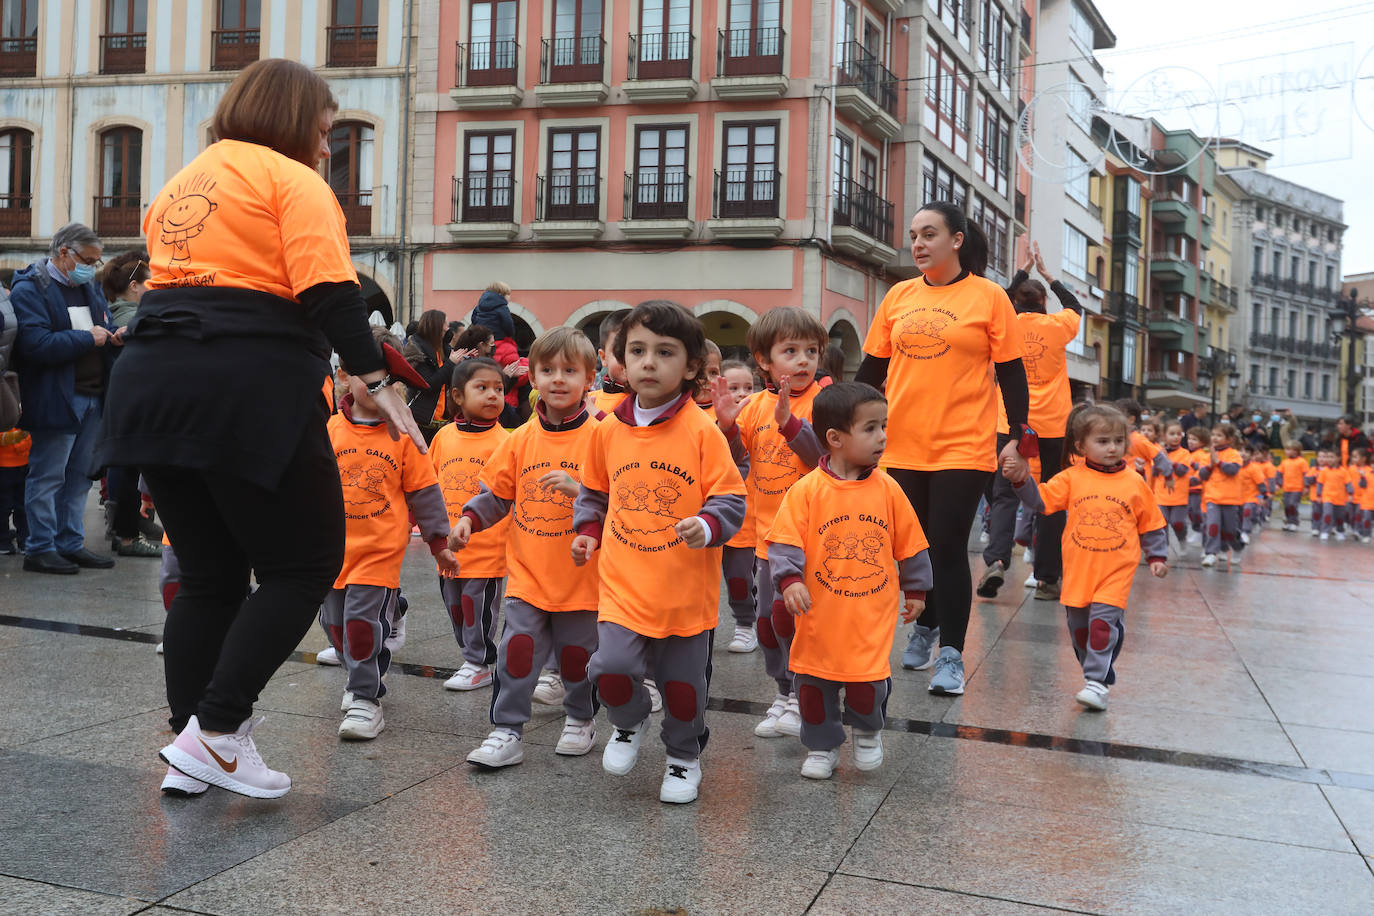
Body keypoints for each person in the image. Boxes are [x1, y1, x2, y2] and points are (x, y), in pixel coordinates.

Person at [98, 59, 424, 798]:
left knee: (209, 575)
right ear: (293, 117)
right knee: (304, 564)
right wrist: (376, 377)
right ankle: (217, 731)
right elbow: (329, 291)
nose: (327, 139)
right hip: (244, 379)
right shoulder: (294, 180)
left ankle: (194, 745)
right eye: (323, 123)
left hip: (150, 380)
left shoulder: (184, 180)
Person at [573, 300, 746, 805]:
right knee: (610, 668)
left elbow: (730, 497)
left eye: (665, 352)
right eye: (638, 350)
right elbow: (594, 491)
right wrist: (588, 528)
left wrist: (707, 524)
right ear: (621, 361)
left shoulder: (702, 431)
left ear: (691, 367)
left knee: (683, 688)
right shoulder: (607, 428)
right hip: (623, 585)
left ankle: (682, 758)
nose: (649, 362)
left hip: (684, 594)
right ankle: (627, 725)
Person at [854, 201, 1031, 697]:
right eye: (913, 235)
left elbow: (1012, 372)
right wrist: (835, 418)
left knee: (949, 546)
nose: (917, 244)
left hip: (964, 443)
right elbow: (870, 371)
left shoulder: (990, 297)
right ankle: (927, 623)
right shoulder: (898, 296)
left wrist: (1017, 434)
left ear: (956, 240)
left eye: (929, 234)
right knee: (912, 546)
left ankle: (950, 653)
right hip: (901, 443)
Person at [766, 382, 932, 779]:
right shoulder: (806, 491)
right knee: (813, 687)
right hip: (818, 617)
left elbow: (911, 543)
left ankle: (867, 730)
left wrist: (917, 588)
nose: (883, 437)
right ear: (835, 439)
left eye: (884, 426)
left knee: (867, 684)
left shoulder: (889, 489)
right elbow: (784, 542)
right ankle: (821, 746)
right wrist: (790, 581)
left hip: (869, 616)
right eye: (871, 428)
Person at [455, 327, 603, 768]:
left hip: (583, 579)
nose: (558, 379)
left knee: (577, 658)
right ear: (533, 378)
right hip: (528, 576)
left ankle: (580, 718)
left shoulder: (604, 436)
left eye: (569, 370)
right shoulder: (519, 439)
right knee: (517, 651)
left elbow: (623, 501)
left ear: (589, 378)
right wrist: (468, 519)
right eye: (547, 370)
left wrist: (579, 490)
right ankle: (506, 730)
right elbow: (497, 494)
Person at [321, 328, 457, 740]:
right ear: (345, 376)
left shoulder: (403, 432)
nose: (383, 388)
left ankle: (366, 698)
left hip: (379, 552)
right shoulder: (328, 429)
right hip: (329, 553)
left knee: (362, 628)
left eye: (391, 381)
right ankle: (370, 650)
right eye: (371, 377)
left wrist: (438, 544)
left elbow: (426, 494)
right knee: (335, 625)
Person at [1005, 403, 1168, 711]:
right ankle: (1096, 672)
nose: (1113, 448)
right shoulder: (1071, 477)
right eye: (1103, 441)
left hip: (1117, 569)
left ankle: (1097, 682)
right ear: (1080, 445)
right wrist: (1020, 481)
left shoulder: (1134, 481)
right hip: (1079, 569)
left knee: (1102, 626)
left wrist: (1157, 556)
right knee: (1080, 630)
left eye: (1119, 441)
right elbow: (1041, 502)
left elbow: (1153, 522)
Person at [714, 307, 825, 737]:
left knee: (797, 620)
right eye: (790, 351)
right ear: (764, 359)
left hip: (810, 541)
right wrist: (726, 428)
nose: (802, 361)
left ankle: (803, 694)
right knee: (767, 625)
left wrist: (791, 425)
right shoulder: (753, 406)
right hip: (766, 539)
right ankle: (784, 692)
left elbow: (824, 461)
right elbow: (738, 462)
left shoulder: (827, 403)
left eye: (811, 351)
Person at [10, 222, 122, 574]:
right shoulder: (31, 288)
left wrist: (113, 335)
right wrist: (89, 339)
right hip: (56, 396)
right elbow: (36, 345)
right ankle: (40, 548)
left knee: (79, 479)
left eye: (98, 260)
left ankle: (70, 543)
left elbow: (101, 324)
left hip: (91, 396)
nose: (94, 266)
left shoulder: (88, 286)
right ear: (63, 253)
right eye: (89, 259)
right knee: (47, 477)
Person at [978, 240, 1080, 604]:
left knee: (1004, 494)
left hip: (1011, 423)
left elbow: (998, 299)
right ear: (1043, 303)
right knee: (1053, 498)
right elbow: (1075, 306)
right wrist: (1049, 275)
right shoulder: (1058, 325)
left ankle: (997, 561)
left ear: (1015, 303)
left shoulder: (1003, 325)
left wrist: (1023, 268)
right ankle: (1048, 578)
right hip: (1054, 427)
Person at [431, 357, 511, 691]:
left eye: (499, 389)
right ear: (458, 397)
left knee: (476, 608)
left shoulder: (506, 441)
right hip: (448, 549)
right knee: (456, 609)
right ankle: (469, 655)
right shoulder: (444, 437)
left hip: (487, 550)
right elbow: (429, 484)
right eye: (482, 388)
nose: (493, 395)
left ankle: (479, 662)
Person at [98, 251, 162, 558]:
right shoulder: (128, 317)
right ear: (135, 286)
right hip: (131, 403)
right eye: (149, 282)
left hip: (128, 402)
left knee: (128, 469)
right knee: (125, 470)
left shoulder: (125, 312)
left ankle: (131, 524)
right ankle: (125, 535)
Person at [718, 358, 760, 653]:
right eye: (734, 387)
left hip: (746, 519)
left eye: (748, 387)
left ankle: (746, 623)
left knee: (739, 577)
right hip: (711, 514)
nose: (742, 393)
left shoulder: (755, 417)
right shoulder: (707, 418)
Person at [472, 281, 530, 426]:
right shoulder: (501, 306)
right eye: (508, 294)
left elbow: (473, 320)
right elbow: (508, 324)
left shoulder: (479, 306)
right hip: (506, 403)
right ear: (502, 294)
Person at [403, 309, 454, 443]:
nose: (448, 328)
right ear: (436, 325)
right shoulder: (418, 351)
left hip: (441, 421)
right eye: (445, 324)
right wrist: (452, 363)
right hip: (421, 421)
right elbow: (428, 384)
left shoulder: (444, 350)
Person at [1198, 425, 1245, 568]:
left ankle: (1237, 547)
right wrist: (1211, 465)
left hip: (1230, 499)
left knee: (1229, 531)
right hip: (1212, 498)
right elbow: (1202, 475)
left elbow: (1232, 470)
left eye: (1219, 435)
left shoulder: (1234, 454)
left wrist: (1218, 462)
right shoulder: (1208, 455)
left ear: (1229, 439)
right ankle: (1211, 553)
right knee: (1212, 526)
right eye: (1213, 435)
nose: (1214, 438)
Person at [1155, 421, 1192, 555]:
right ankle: (1163, 549)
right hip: (1161, 495)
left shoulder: (1185, 453)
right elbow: (1155, 472)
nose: (1175, 437)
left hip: (1179, 496)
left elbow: (1182, 470)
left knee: (1177, 523)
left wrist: (1167, 461)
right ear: (1164, 436)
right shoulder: (1158, 451)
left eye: (1178, 434)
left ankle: (1182, 539)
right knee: (1162, 524)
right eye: (1172, 434)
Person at [589, 308, 631, 417]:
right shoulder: (589, 399)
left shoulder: (649, 403)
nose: (628, 358)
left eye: (638, 351)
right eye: (619, 351)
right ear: (603, 357)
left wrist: (596, 415)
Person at [0, 425, 30, 554]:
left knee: (22, 506)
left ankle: (24, 539)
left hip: (22, 464)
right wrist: (18, 439)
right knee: (4, 506)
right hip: (4, 465)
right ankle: (3, 541)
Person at [1315, 447, 1354, 541]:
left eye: (1332, 457)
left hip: (1340, 499)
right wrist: (1319, 495)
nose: (1329, 459)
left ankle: (1340, 531)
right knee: (1327, 514)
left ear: (1338, 458)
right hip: (1328, 497)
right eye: (1328, 457)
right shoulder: (1324, 471)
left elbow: (1348, 483)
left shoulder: (1343, 471)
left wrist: (1350, 494)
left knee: (1340, 517)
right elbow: (1320, 484)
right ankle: (1325, 531)